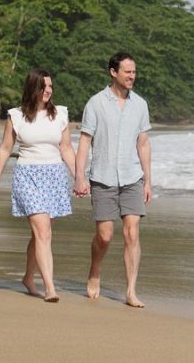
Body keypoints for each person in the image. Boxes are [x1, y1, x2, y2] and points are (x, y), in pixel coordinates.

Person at [74, 52, 152, 308]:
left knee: (132, 233)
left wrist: (148, 181)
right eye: (128, 72)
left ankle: (131, 291)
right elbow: (85, 141)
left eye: (134, 72)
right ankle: (95, 270)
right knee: (105, 236)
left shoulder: (140, 104)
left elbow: (143, 144)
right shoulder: (96, 103)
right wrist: (79, 176)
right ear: (113, 72)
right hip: (103, 178)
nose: (132, 76)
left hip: (132, 177)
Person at [0, 69, 76, 303]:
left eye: (50, 87)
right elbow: (6, 148)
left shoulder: (60, 114)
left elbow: (67, 148)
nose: (48, 90)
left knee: (40, 234)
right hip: (27, 175)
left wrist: (79, 176)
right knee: (43, 232)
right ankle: (50, 287)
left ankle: (29, 277)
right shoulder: (16, 116)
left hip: (55, 176)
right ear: (33, 88)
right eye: (43, 86)